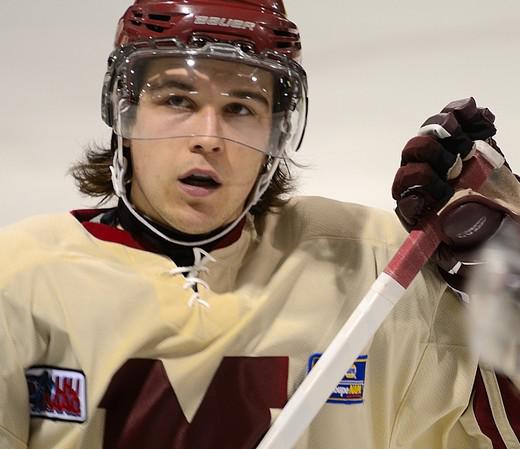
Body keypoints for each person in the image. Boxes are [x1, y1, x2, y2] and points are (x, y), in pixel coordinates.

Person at [1, 1, 519, 448]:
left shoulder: (372, 266)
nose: (209, 136)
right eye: (177, 99)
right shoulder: (22, 282)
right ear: (124, 114)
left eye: (241, 107)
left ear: (276, 133)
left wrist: (511, 273)